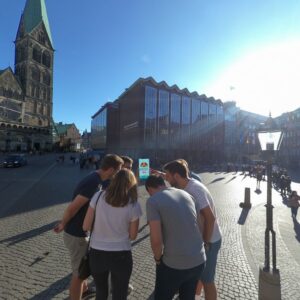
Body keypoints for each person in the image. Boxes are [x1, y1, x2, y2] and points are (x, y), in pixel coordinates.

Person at [54, 154, 124, 300]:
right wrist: (63, 223)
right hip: (76, 234)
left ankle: (84, 290)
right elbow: (73, 207)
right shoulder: (93, 182)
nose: (118, 174)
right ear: (111, 170)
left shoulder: (98, 179)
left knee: (83, 268)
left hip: (81, 233)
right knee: (78, 275)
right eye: (118, 171)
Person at [163, 160, 221, 300]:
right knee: (199, 275)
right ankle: (194, 295)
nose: (166, 179)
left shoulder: (195, 190)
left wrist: (205, 243)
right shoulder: (186, 185)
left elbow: (210, 218)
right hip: (202, 240)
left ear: (176, 176)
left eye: (168, 176)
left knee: (208, 281)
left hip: (210, 241)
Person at [83, 169, 142, 300]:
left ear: (114, 181)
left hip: (97, 253)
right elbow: (133, 236)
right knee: (120, 294)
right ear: (131, 184)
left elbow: (85, 226)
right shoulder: (133, 203)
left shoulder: (98, 196)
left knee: (101, 291)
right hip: (121, 254)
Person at [145, 175, 206, 300]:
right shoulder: (187, 195)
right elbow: (200, 226)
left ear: (150, 189)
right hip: (199, 259)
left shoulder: (153, 201)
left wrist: (157, 259)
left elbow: (156, 240)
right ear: (163, 183)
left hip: (174, 264)